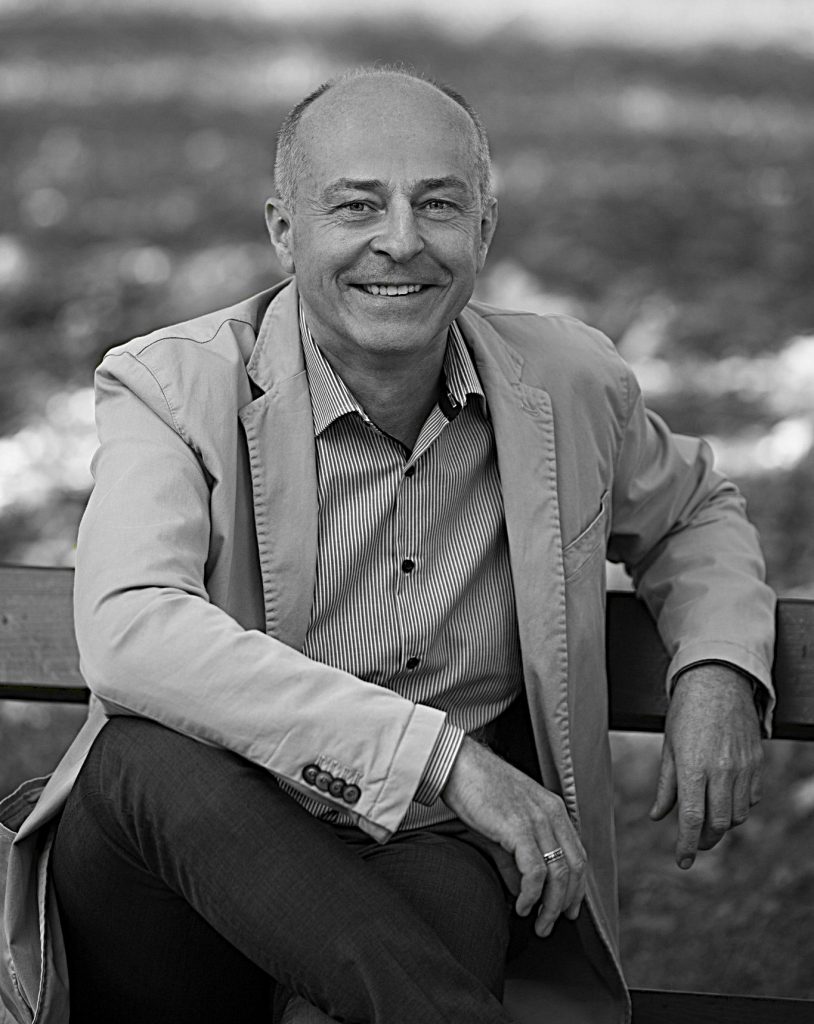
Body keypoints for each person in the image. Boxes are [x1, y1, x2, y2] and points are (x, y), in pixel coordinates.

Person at [0, 66, 775, 1024]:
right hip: (188, 866)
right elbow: (133, 633)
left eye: (438, 204)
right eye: (357, 205)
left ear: (484, 229)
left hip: (423, 843)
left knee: (436, 920)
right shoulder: (171, 389)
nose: (401, 241)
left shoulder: (569, 385)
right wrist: (440, 758)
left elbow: (694, 509)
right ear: (285, 230)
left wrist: (717, 667)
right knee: (142, 759)